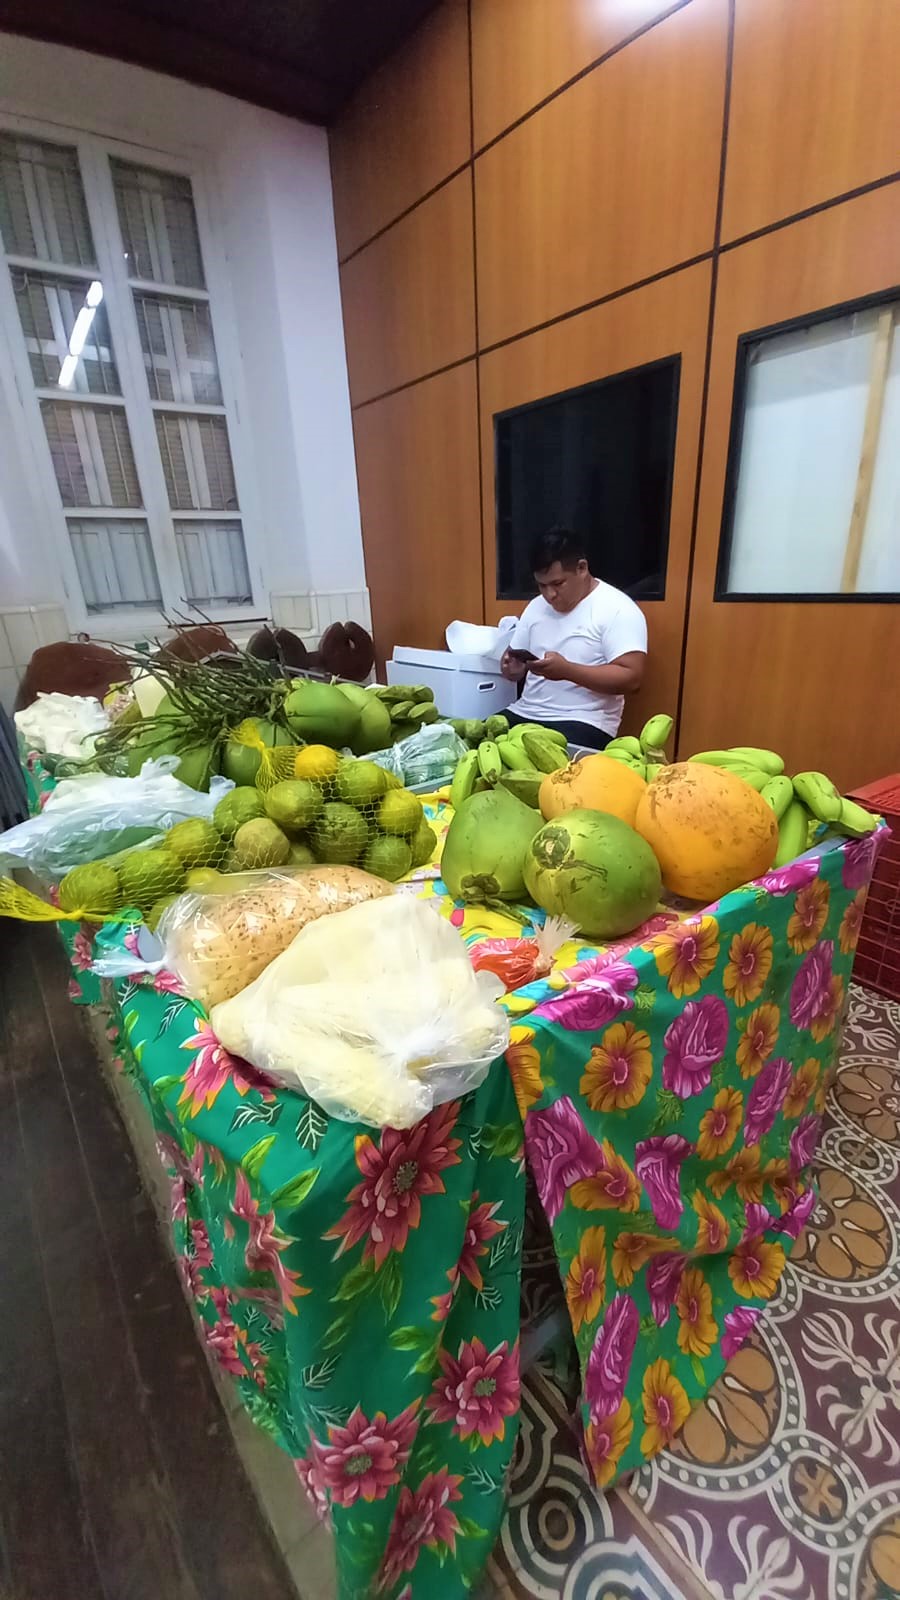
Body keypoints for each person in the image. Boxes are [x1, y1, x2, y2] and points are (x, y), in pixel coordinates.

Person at [500, 528, 647, 749]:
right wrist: (512, 668)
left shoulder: (618, 608)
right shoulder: (535, 606)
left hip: (584, 721)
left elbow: (632, 678)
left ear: (582, 568)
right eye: (542, 585)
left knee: (535, 765)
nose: (549, 595)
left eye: (558, 584)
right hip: (525, 712)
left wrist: (567, 671)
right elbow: (514, 664)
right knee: (466, 744)